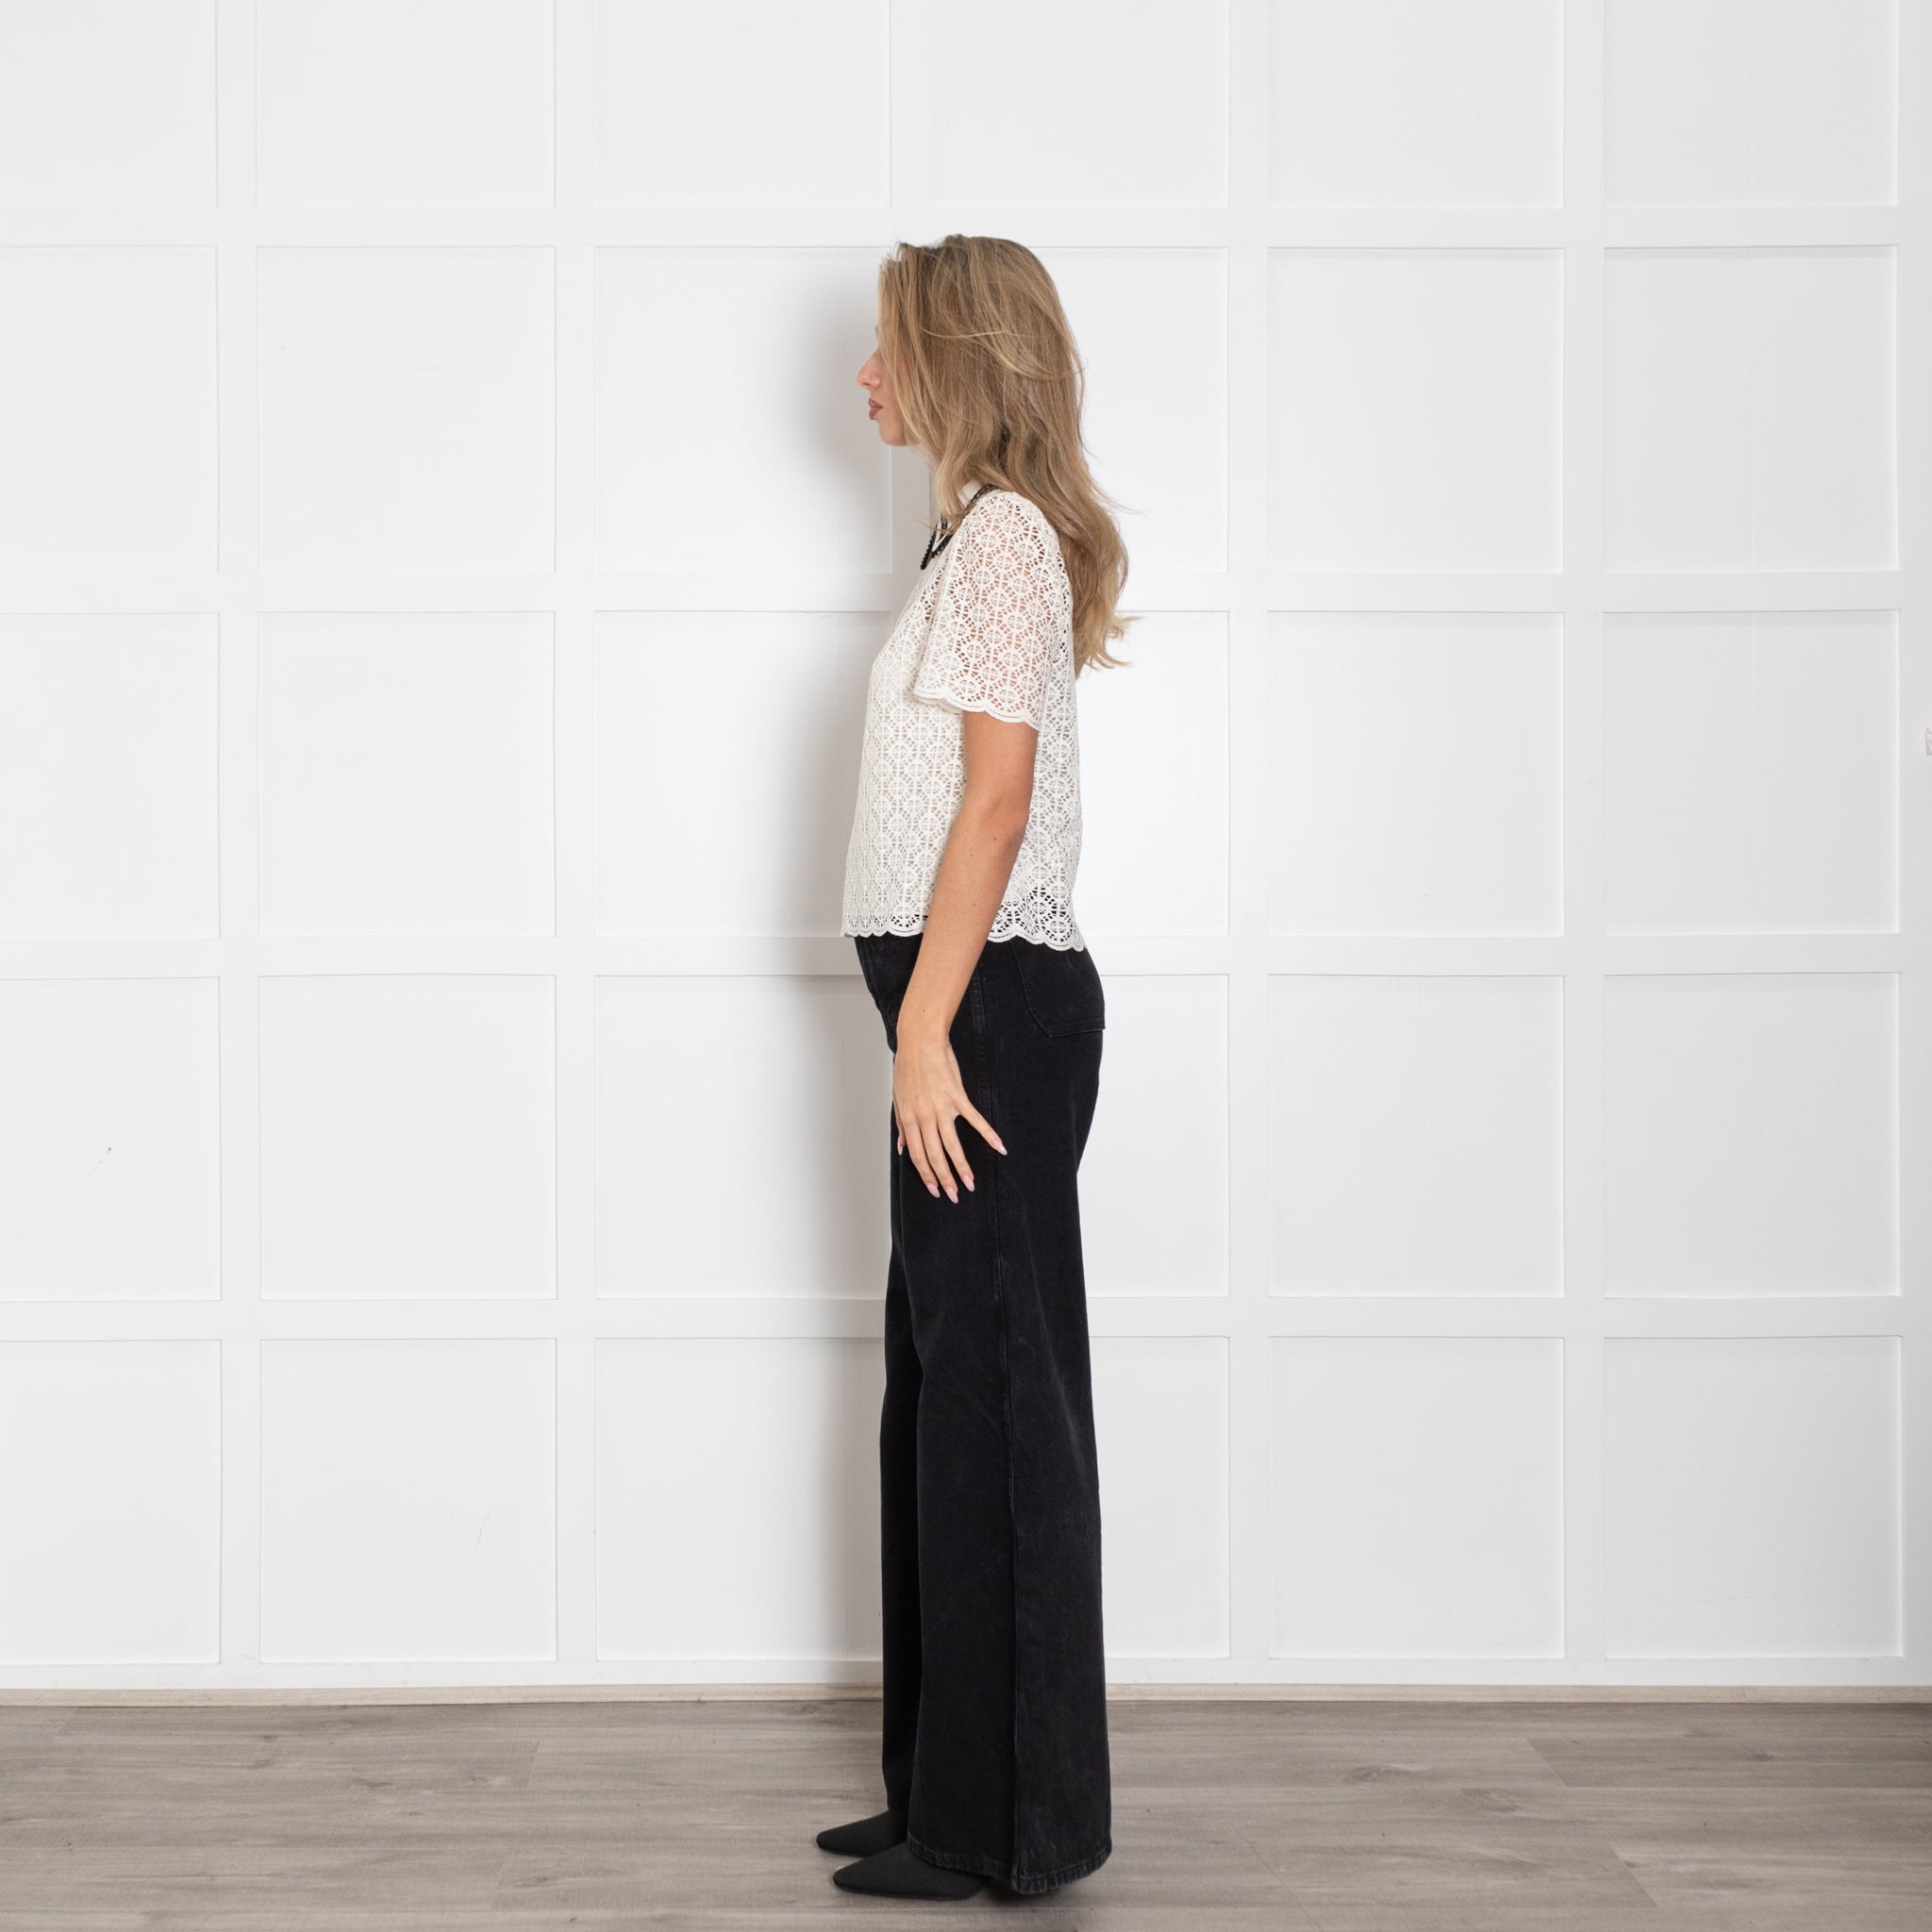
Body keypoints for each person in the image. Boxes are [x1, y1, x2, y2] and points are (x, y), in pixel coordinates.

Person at [818, 234, 1134, 1901]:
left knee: (995, 1411)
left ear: (954, 356)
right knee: (943, 1403)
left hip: (988, 1014)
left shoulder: (1004, 538)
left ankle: (998, 1827)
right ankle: (939, 1790)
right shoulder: (970, 540)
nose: (865, 376)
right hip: (960, 1010)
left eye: (888, 347)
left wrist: (928, 1030)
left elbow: (995, 809)